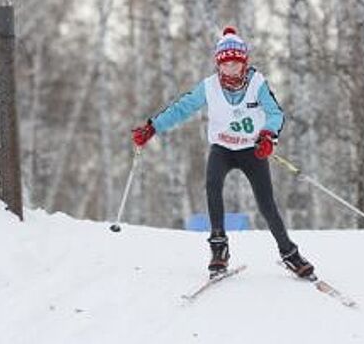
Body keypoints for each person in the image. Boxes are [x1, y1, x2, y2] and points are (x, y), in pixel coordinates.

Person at [132, 26, 314, 278]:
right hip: (222, 149)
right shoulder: (208, 86)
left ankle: (289, 253)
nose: (230, 69)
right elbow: (181, 109)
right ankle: (219, 248)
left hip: (253, 151)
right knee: (212, 186)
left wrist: (267, 135)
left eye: (235, 64)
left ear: (244, 62)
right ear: (219, 64)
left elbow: (275, 113)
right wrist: (152, 128)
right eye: (225, 64)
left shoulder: (257, 83)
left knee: (266, 204)